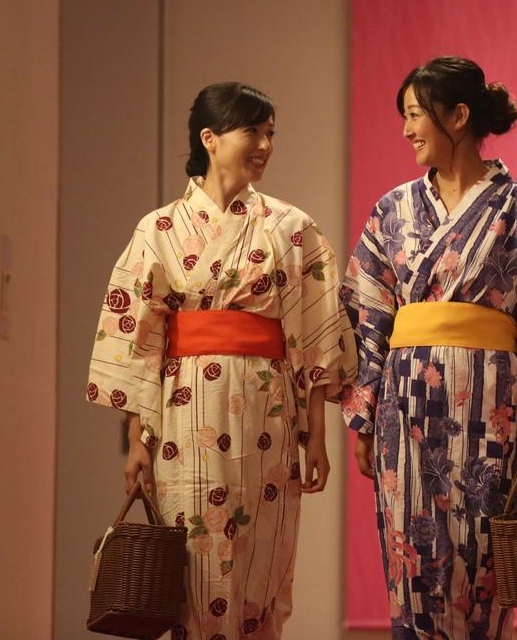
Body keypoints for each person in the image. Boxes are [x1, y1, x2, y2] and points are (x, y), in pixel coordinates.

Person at [341, 56, 517, 638]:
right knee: (409, 561)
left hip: (490, 407)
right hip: (404, 407)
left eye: (416, 116)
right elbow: (366, 315)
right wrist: (363, 417)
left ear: (458, 117)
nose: (408, 130)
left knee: (484, 561)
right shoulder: (392, 211)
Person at [85, 82, 355, 639]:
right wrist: (136, 437)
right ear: (209, 138)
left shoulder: (292, 227)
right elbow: (138, 340)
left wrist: (317, 436)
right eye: (252, 131)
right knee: (193, 563)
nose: (265, 145)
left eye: (271, 133)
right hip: (184, 416)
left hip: (269, 414)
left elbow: (315, 335)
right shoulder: (158, 229)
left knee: (262, 566)